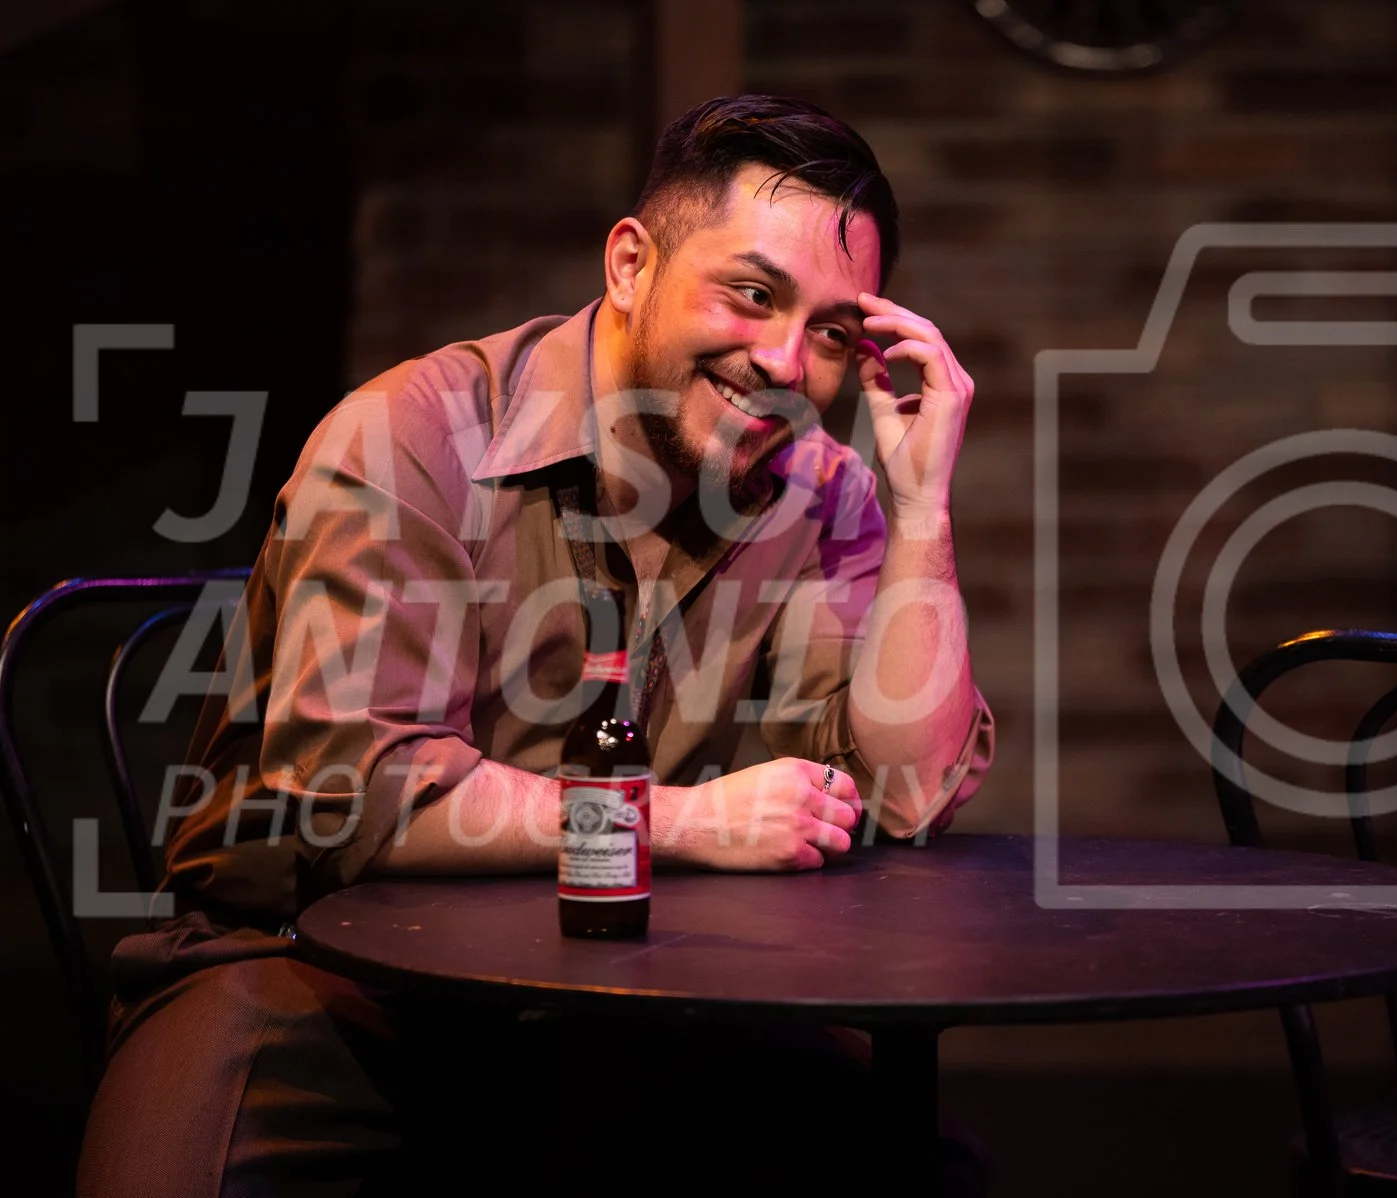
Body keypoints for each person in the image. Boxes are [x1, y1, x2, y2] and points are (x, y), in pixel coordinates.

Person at [76, 94, 995, 1197]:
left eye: (834, 332)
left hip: (632, 985)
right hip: (313, 968)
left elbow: (904, 797)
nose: (787, 361)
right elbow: (360, 799)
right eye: (752, 295)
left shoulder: (822, 489)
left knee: (912, 1166)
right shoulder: (410, 436)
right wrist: (685, 821)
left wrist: (922, 508)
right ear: (631, 264)